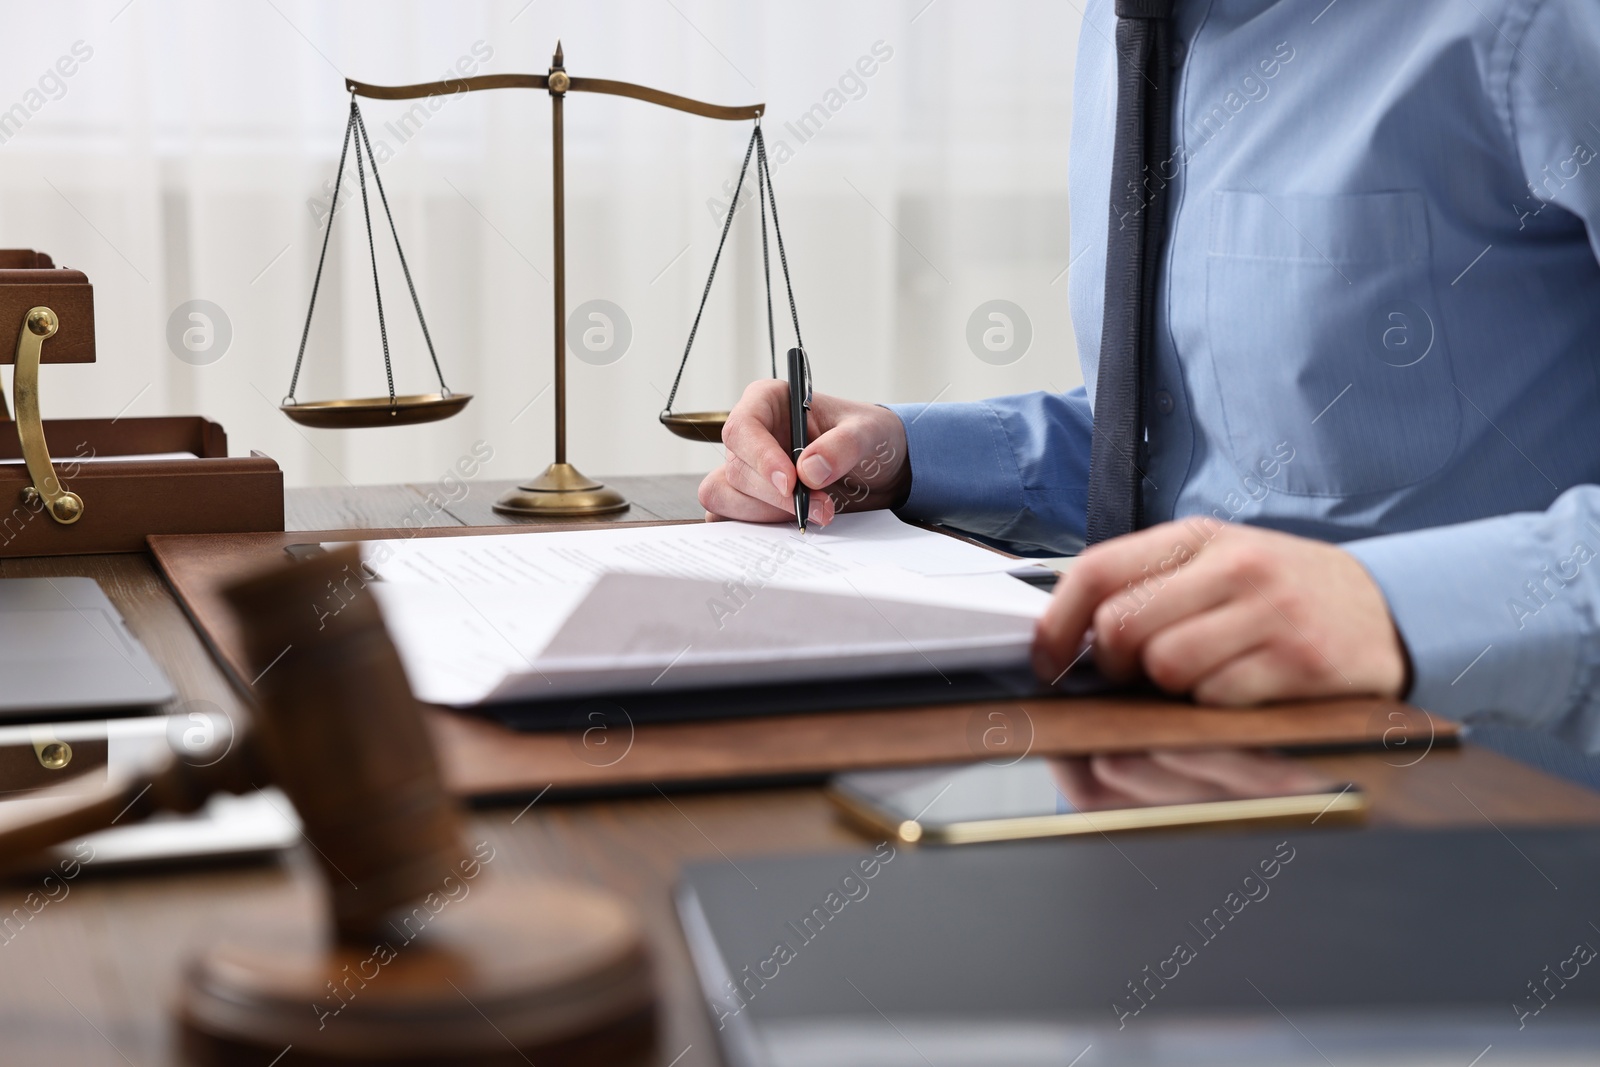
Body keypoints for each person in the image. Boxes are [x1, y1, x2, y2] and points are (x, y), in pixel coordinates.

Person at [699, 0, 1600, 753]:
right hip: (1165, 785)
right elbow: (1207, 440)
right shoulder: (1125, 27)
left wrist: (1401, 611)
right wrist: (908, 456)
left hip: (1490, 833)